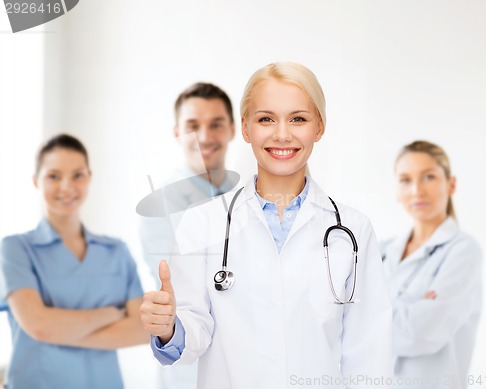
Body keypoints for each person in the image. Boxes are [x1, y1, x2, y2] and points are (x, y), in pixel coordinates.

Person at [140, 62, 393, 389]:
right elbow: (193, 334)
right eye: (266, 119)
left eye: (298, 119)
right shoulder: (203, 223)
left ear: (319, 127)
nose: (282, 134)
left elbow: (369, 355)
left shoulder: (353, 231)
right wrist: (168, 328)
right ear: (245, 128)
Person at [0, 134, 149, 389]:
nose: (67, 186)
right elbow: (39, 326)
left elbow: (142, 329)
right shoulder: (16, 249)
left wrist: (58, 331)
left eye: (77, 175)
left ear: (89, 178)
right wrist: (110, 314)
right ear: (36, 181)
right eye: (54, 176)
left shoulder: (116, 251)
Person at [380, 140, 482, 389]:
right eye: (405, 180)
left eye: (428, 177)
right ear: (396, 190)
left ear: (451, 184)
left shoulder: (463, 251)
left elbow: (420, 333)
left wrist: (365, 315)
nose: (416, 190)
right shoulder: (381, 251)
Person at [139, 82, 237, 281]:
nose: (204, 137)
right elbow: (176, 287)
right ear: (177, 133)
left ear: (233, 130)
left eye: (216, 125)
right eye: (192, 126)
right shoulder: (160, 206)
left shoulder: (248, 195)